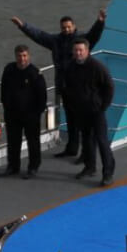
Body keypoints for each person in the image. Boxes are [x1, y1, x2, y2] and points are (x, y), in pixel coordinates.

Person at [10, 10, 106, 159]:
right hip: (64, 87)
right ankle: (72, 148)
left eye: (68, 27)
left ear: (74, 26)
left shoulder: (81, 41)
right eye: (63, 27)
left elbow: (94, 35)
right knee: (70, 120)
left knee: (84, 123)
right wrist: (23, 26)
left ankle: (86, 155)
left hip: (80, 89)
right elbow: (39, 35)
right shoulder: (56, 41)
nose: (66, 30)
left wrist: (100, 22)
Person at [67, 38, 115, 187]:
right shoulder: (71, 67)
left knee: (102, 141)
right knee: (87, 140)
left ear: (87, 51)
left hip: (96, 111)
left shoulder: (97, 67)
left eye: (81, 50)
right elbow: (68, 86)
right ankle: (90, 167)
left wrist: (103, 106)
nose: (78, 53)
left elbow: (109, 86)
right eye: (76, 50)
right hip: (81, 111)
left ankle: (108, 173)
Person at [0, 45, 48, 179]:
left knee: (33, 142)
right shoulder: (9, 69)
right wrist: (6, 106)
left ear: (29, 56)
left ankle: (33, 167)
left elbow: (42, 95)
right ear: (15, 56)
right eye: (19, 56)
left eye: (24, 55)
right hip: (12, 114)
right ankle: (13, 166)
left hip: (31, 115)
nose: (22, 59)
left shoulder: (35, 73)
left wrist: (37, 113)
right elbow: (3, 89)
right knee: (13, 141)